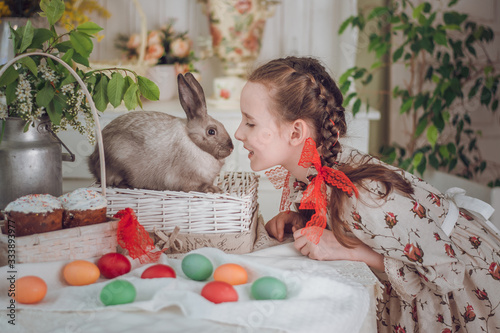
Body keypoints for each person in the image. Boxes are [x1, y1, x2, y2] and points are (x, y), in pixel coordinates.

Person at [234, 56, 500, 333]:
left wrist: (351, 251)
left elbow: (449, 271)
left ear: (296, 131)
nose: (239, 133)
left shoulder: (365, 195)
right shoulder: (309, 174)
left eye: (250, 123)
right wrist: (301, 218)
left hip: (464, 294)